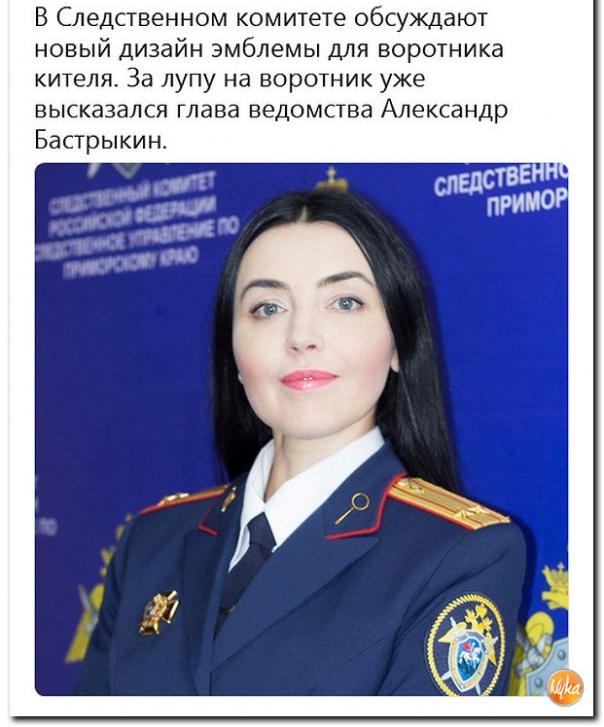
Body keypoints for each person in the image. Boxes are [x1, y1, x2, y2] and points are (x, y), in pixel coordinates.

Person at [76, 189, 526, 696]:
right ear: (233, 353)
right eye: (268, 307)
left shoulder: (458, 555)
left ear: (399, 343)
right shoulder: (151, 541)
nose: (301, 336)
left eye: (345, 302)